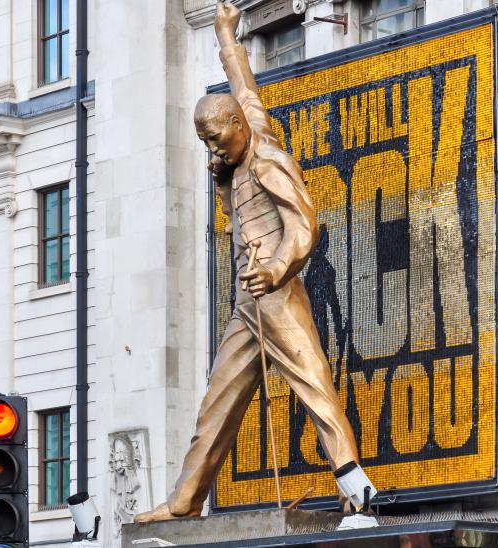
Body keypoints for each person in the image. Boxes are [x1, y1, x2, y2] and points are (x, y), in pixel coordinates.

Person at [133, 1, 375, 523]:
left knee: (313, 386)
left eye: (215, 134)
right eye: (203, 139)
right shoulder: (241, 147)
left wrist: (277, 269)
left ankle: (357, 494)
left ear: (236, 126)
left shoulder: (266, 157)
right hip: (248, 302)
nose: (211, 144)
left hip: (278, 293)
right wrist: (225, 33)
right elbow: (244, 85)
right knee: (217, 401)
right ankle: (186, 500)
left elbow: (305, 225)